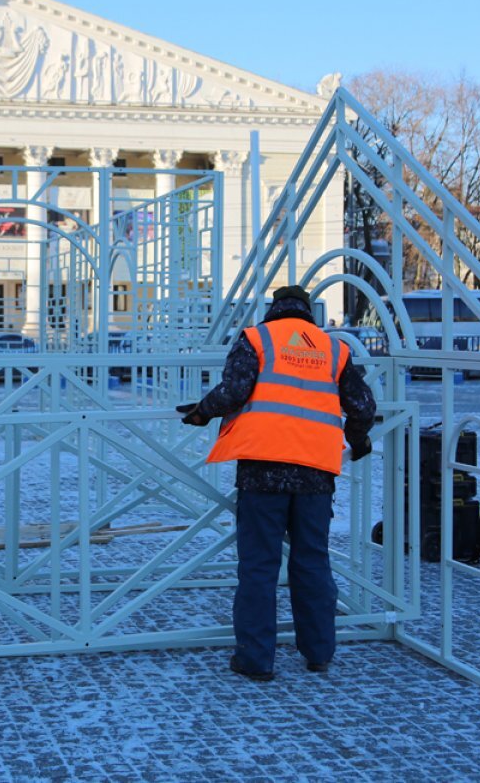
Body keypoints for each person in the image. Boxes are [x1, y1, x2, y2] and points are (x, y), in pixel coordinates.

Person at [177, 286, 375, 681]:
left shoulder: (257, 339)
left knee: (259, 566)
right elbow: (363, 406)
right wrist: (359, 439)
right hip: (315, 473)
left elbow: (234, 391)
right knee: (313, 562)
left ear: (274, 311)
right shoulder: (332, 349)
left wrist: (202, 412)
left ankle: (255, 659)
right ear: (308, 313)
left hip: (262, 471)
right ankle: (319, 652)